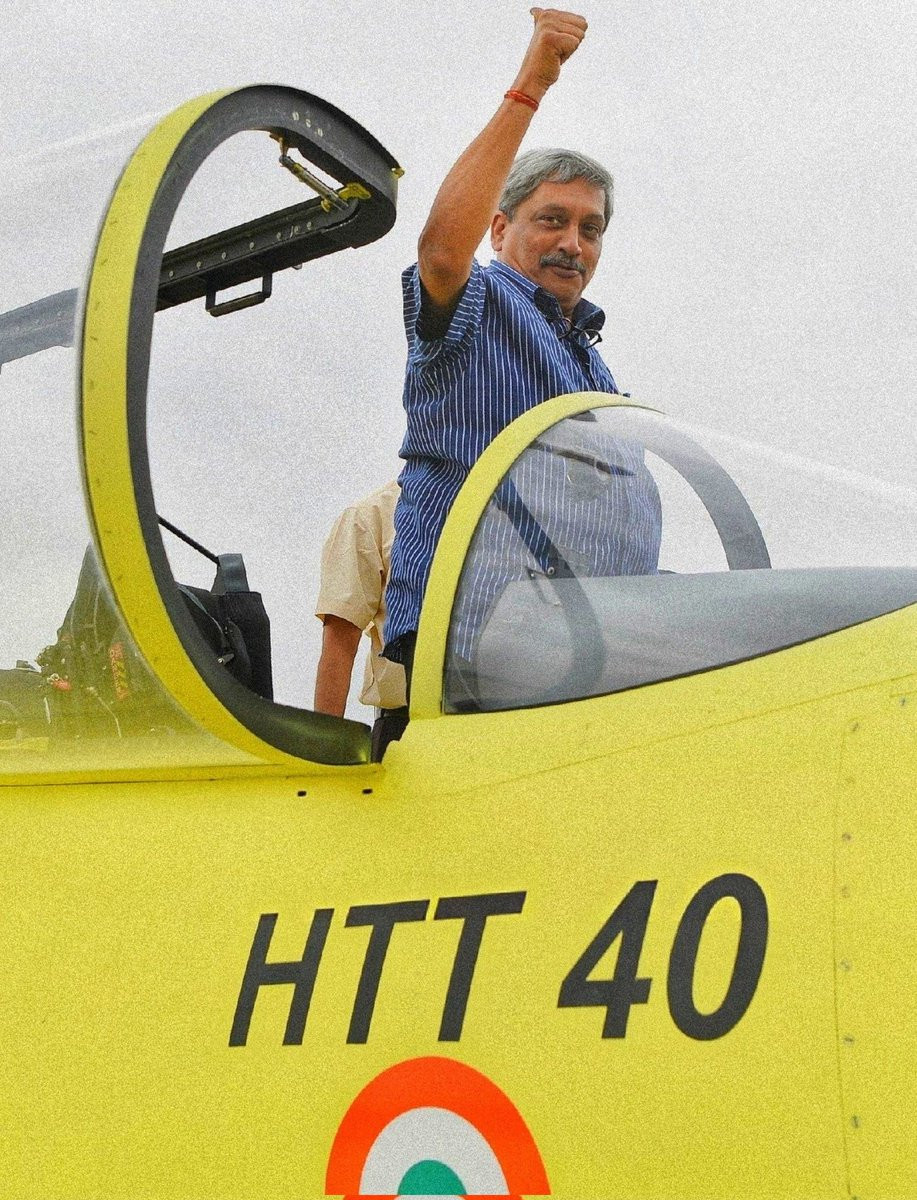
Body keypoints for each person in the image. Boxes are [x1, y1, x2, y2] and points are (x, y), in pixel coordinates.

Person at [383, 8, 660, 678]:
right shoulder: (480, 301)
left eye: (590, 229)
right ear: (499, 229)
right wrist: (530, 86)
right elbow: (440, 252)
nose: (573, 244)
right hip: (475, 647)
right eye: (551, 220)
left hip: (584, 656)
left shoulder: (593, 366)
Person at [314, 481, 408, 758]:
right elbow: (340, 644)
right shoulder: (369, 516)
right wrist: (326, 755)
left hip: (504, 721)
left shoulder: (501, 507)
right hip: (404, 732)